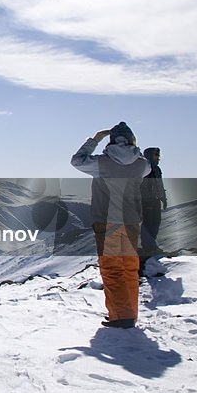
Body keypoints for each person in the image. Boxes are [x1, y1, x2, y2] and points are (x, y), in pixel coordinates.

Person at [71, 122, 150, 329]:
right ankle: (129, 314)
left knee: (112, 269)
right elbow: (147, 165)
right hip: (132, 222)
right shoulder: (141, 164)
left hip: (108, 222)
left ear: (112, 140)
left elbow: (77, 161)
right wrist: (134, 150)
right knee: (129, 268)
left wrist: (95, 139)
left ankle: (120, 316)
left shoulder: (102, 163)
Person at [139, 147, 168, 273]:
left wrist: (163, 198)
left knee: (155, 223)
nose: (158, 157)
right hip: (144, 201)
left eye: (158, 154)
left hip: (154, 201)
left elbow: (159, 185)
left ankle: (150, 247)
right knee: (147, 224)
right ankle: (149, 248)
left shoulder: (157, 169)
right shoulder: (143, 168)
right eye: (156, 155)